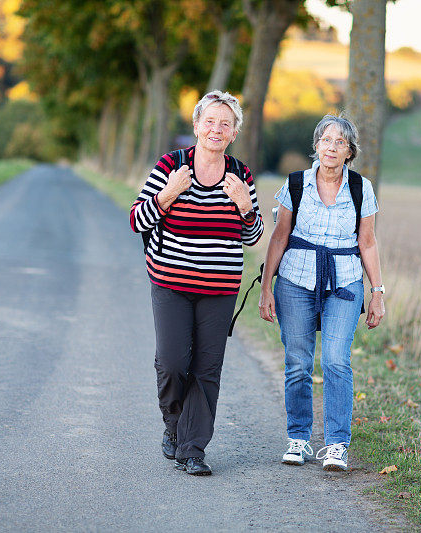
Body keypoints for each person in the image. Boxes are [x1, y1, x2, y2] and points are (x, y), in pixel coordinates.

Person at [130, 91, 263, 476]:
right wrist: (168, 194)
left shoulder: (241, 176)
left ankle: (192, 449)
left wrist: (245, 206)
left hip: (219, 290)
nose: (216, 129)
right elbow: (138, 220)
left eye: (225, 123)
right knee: (172, 363)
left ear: (234, 132)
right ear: (196, 126)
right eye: (210, 121)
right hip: (170, 281)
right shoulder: (170, 166)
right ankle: (174, 427)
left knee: (207, 368)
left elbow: (253, 238)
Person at [258, 114, 385, 471]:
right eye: (326, 140)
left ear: (349, 152)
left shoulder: (362, 188)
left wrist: (377, 292)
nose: (332, 147)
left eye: (340, 142)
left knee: (335, 361)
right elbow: (279, 237)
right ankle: (298, 438)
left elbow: (368, 243)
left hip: (343, 284)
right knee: (298, 363)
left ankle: (336, 445)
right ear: (316, 146)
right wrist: (266, 287)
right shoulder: (296, 184)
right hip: (295, 282)